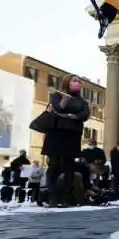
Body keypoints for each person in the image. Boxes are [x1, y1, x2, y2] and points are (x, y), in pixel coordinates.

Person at [42, 75, 90, 207]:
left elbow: (85, 114)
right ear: (67, 82)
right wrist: (65, 101)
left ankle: (64, 197)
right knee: (54, 165)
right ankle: (52, 197)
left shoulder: (82, 101)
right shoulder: (57, 95)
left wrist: (69, 115)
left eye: (80, 82)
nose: (78, 83)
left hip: (72, 135)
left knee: (69, 168)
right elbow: (58, 108)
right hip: (56, 133)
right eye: (75, 81)